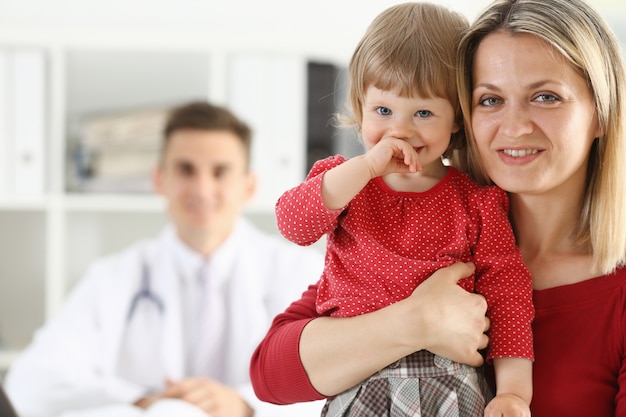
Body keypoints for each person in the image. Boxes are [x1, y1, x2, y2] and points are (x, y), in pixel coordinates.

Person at [250, 0, 626, 416]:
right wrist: (417, 323)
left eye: (546, 96)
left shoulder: (611, 293)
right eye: (489, 100)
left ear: (602, 113)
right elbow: (270, 373)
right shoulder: (397, 233)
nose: (515, 125)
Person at [273, 3, 533, 416]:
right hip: (359, 374)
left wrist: (514, 392)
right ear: (360, 108)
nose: (401, 130)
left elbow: (508, 297)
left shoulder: (478, 202)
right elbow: (292, 224)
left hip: (451, 380)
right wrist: (367, 167)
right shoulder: (344, 183)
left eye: (424, 112)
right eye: (383, 111)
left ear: (457, 119)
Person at [4, 101, 326, 417]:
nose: (202, 189)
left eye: (220, 171)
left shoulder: (299, 271)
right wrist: (148, 402)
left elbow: (338, 382)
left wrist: (245, 404)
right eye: (186, 169)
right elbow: (32, 383)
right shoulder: (113, 276)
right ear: (159, 179)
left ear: (249, 186)